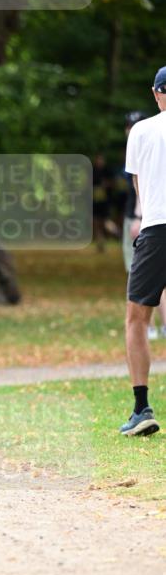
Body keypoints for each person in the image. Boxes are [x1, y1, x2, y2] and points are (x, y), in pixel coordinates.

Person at [120, 66, 166, 436]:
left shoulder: (140, 131)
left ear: (156, 93)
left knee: (138, 318)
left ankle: (141, 407)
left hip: (156, 229)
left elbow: (140, 189)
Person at [122, 112, 166, 341]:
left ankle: (152, 328)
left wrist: (139, 216)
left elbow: (138, 183)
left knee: (144, 287)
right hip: (150, 219)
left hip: (151, 222)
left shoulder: (143, 135)